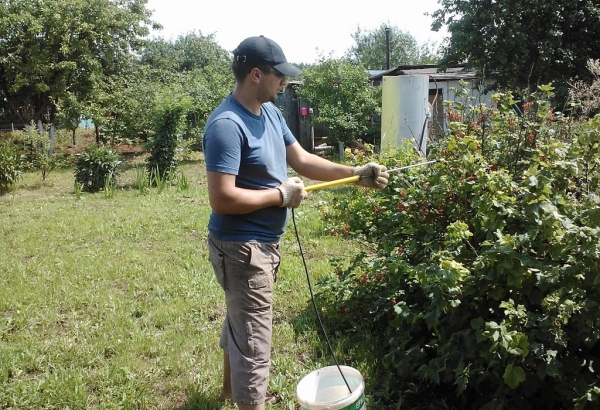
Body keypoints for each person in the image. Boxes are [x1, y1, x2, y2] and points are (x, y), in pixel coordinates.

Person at [202, 35, 389, 410]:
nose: (284, 82)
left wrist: (355, 172)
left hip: (262, 244)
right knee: (255, 342)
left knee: (243, 320)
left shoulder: (269, 112)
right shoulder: (226, 125)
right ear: (256, 74)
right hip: (243, 248)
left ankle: (225, 392)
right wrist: (280, 196)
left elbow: (302, 160)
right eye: (279, 75)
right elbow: (221, 198)